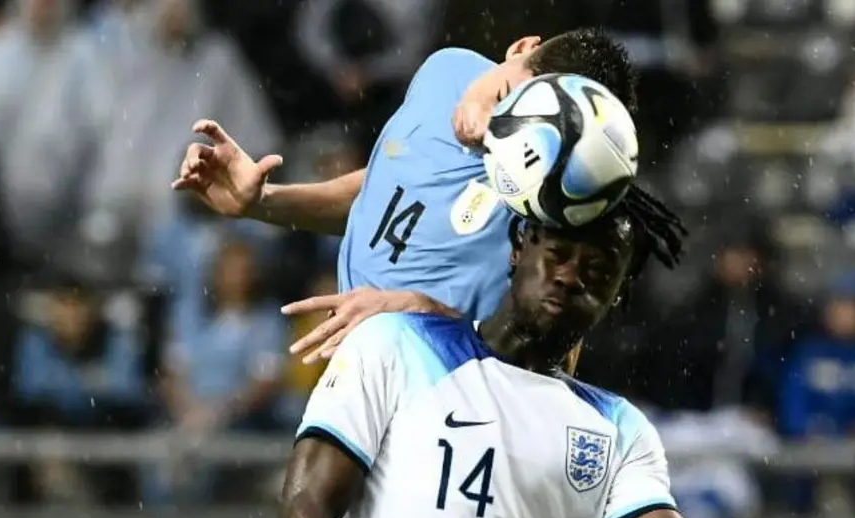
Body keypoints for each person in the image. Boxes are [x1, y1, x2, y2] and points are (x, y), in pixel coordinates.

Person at [276, 197, 855, 518]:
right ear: (519, 245)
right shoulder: (396, 343)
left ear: (615, 299)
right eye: (558, 251)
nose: (571, 274)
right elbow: (305, 504)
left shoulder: (617, 428)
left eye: (599, 270)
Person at [172, 28, 642, 364]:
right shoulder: (445, 69)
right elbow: (387, 185)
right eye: (501, 98)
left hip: (449, 414)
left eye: (520, 137)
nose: (484, 129)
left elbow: (545, 363)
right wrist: (263, 203)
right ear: (521, 48)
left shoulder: (557, 211)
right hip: (356, 369)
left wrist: (415, 314)